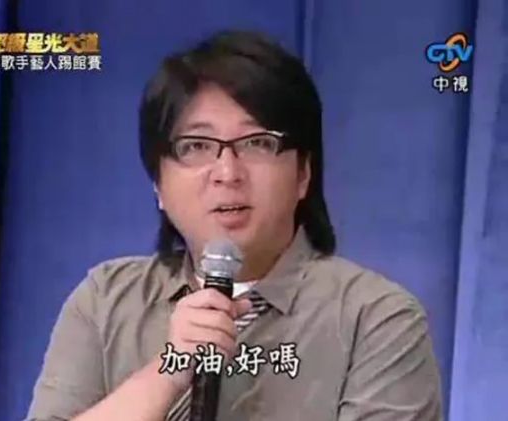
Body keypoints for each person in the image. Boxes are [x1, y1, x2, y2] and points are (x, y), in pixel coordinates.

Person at [26, 30, 443, 421]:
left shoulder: (376, 318)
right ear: (158, 184)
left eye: (258, 143)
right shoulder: (106, 301)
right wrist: (169, 371)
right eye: (196, 145)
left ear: (303, 173)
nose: (227, 172)